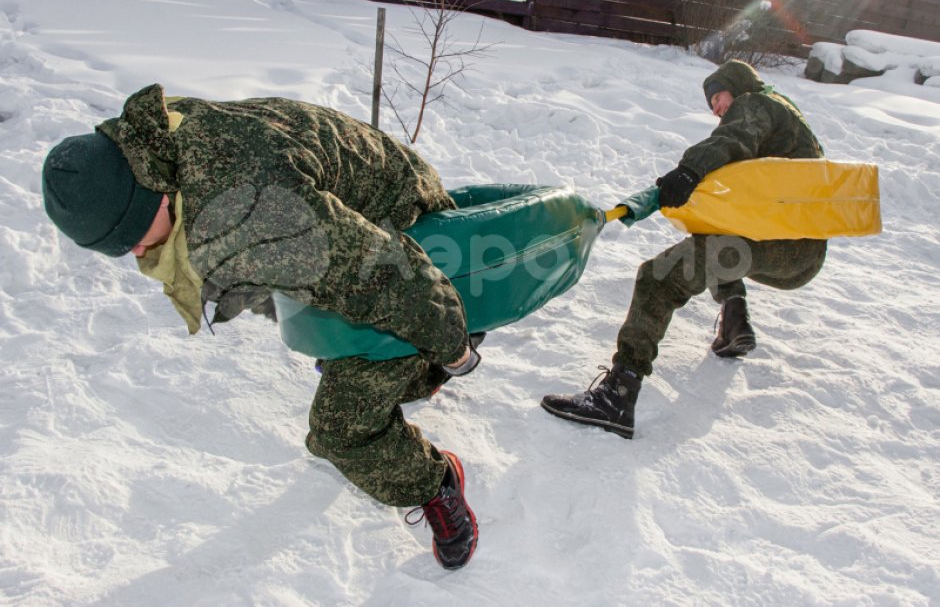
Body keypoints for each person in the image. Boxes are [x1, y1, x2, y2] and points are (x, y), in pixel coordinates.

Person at [41, 84, 480, 569]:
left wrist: (455, 348)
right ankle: (406, 365)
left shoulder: (248, 214)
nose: (139, 255)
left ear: (155, 200)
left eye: (133, 240)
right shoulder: (161, 139)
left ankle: (436, 483)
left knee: (341, 431)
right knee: (325, 299)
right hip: (362, 197)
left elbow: (387, 274)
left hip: (406, 223)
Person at [541, 59, 827, 440]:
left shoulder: (755, 104)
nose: (716, 109)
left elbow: (730, 140)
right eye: (711, 105)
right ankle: (734, 320)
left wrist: (690, 170)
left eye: (718, 97)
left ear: (737, 86)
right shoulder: (788, 114)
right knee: (711, 243)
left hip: (774, 240)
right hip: (801, 254)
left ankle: (617, 396)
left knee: (657, 278)